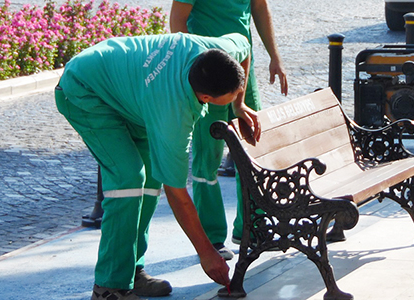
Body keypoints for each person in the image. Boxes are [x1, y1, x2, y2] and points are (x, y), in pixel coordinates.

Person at [55, 32, 261, 300]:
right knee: (128, 179)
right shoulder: (173, 115)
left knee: (151, 178)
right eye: (229, 96)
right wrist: (207, 253)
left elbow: (243, 47)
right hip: (85, 90)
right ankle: (109, 286)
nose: (234, 97)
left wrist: (238, 103)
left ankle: (131, 271)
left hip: (133, 95)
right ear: (206, 98)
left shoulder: (216, 52)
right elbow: (177, 193)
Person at [170, 0, 288, 259]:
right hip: (207, 76)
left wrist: (274, 56)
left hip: (243, 70)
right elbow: (177, 20)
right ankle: (212, 238)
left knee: (250, 151)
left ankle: (251, 227)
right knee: (207, 157)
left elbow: (259, 6)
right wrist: (193, 66)